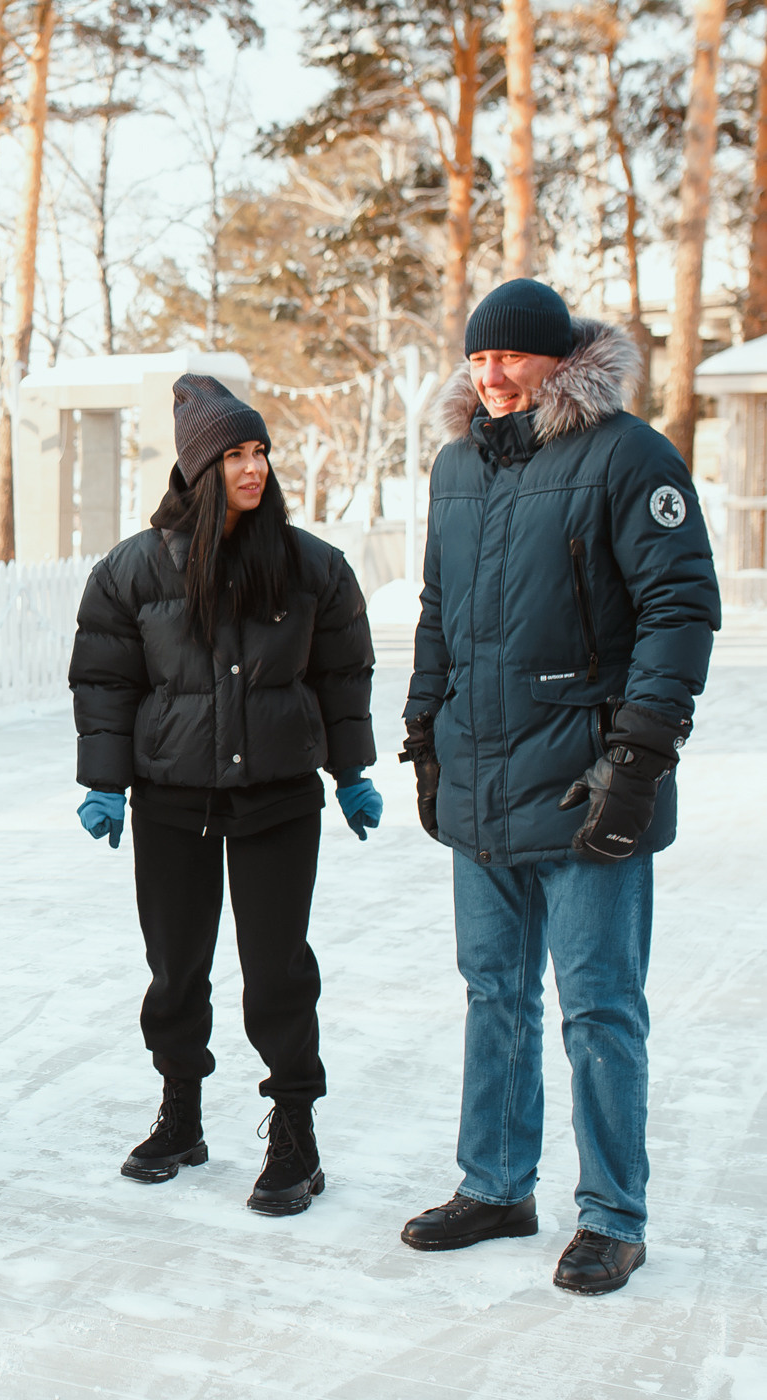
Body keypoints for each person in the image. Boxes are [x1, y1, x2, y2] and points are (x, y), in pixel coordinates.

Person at [397, 279, 718, 1295]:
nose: (489, 375)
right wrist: (424, 728)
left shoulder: (629, 455)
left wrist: (640, 757)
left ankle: (613, 1213)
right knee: (494, 993)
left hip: (588, 782)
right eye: (477, 357)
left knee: (599, 1008)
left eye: (509, 357)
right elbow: (439, 609)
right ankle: (496, 1185)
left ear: (557, 357)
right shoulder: (457, 466)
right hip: (483, 777)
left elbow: (679, 607)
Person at [68, 374, 377, 1218]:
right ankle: (182, 1116)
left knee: (278, 972)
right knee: (175, 970)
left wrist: (352, 771)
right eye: (235, 454)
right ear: (199, 470)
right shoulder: (132, 570)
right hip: (172, 800)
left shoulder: (313, 566)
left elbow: (343, 675)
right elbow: (106, 681)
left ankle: (295, 1132)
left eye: (260, 452)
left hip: (279, 798)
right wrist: (104, 783)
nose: (253, 468)